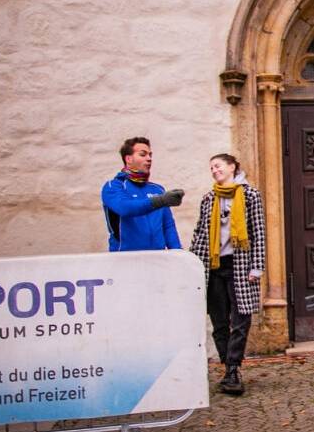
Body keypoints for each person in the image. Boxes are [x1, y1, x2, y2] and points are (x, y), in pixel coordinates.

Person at [189, 153, 266, 396]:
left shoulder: (250, 195)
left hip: (240, 264)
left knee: (241, 318)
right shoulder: (209, 198)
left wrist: (258, 266)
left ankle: (233, 368)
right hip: (213, 265)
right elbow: (200, 232)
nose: (214, 170)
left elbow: (259, 232)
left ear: (232, 167)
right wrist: (191, 263)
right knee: (219, 320)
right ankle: (229, 369)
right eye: (211, 167)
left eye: (218, 166)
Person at [102, 136, 183, 252]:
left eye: (150, 155)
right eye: (143, 154)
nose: (149, 158)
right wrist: (160, 201)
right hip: (125, 258)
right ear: (128, 159)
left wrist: (177, 252)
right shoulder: (113, 186)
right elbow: (125, 208)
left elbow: (168, 225)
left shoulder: (158, 190)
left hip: (158, 258)